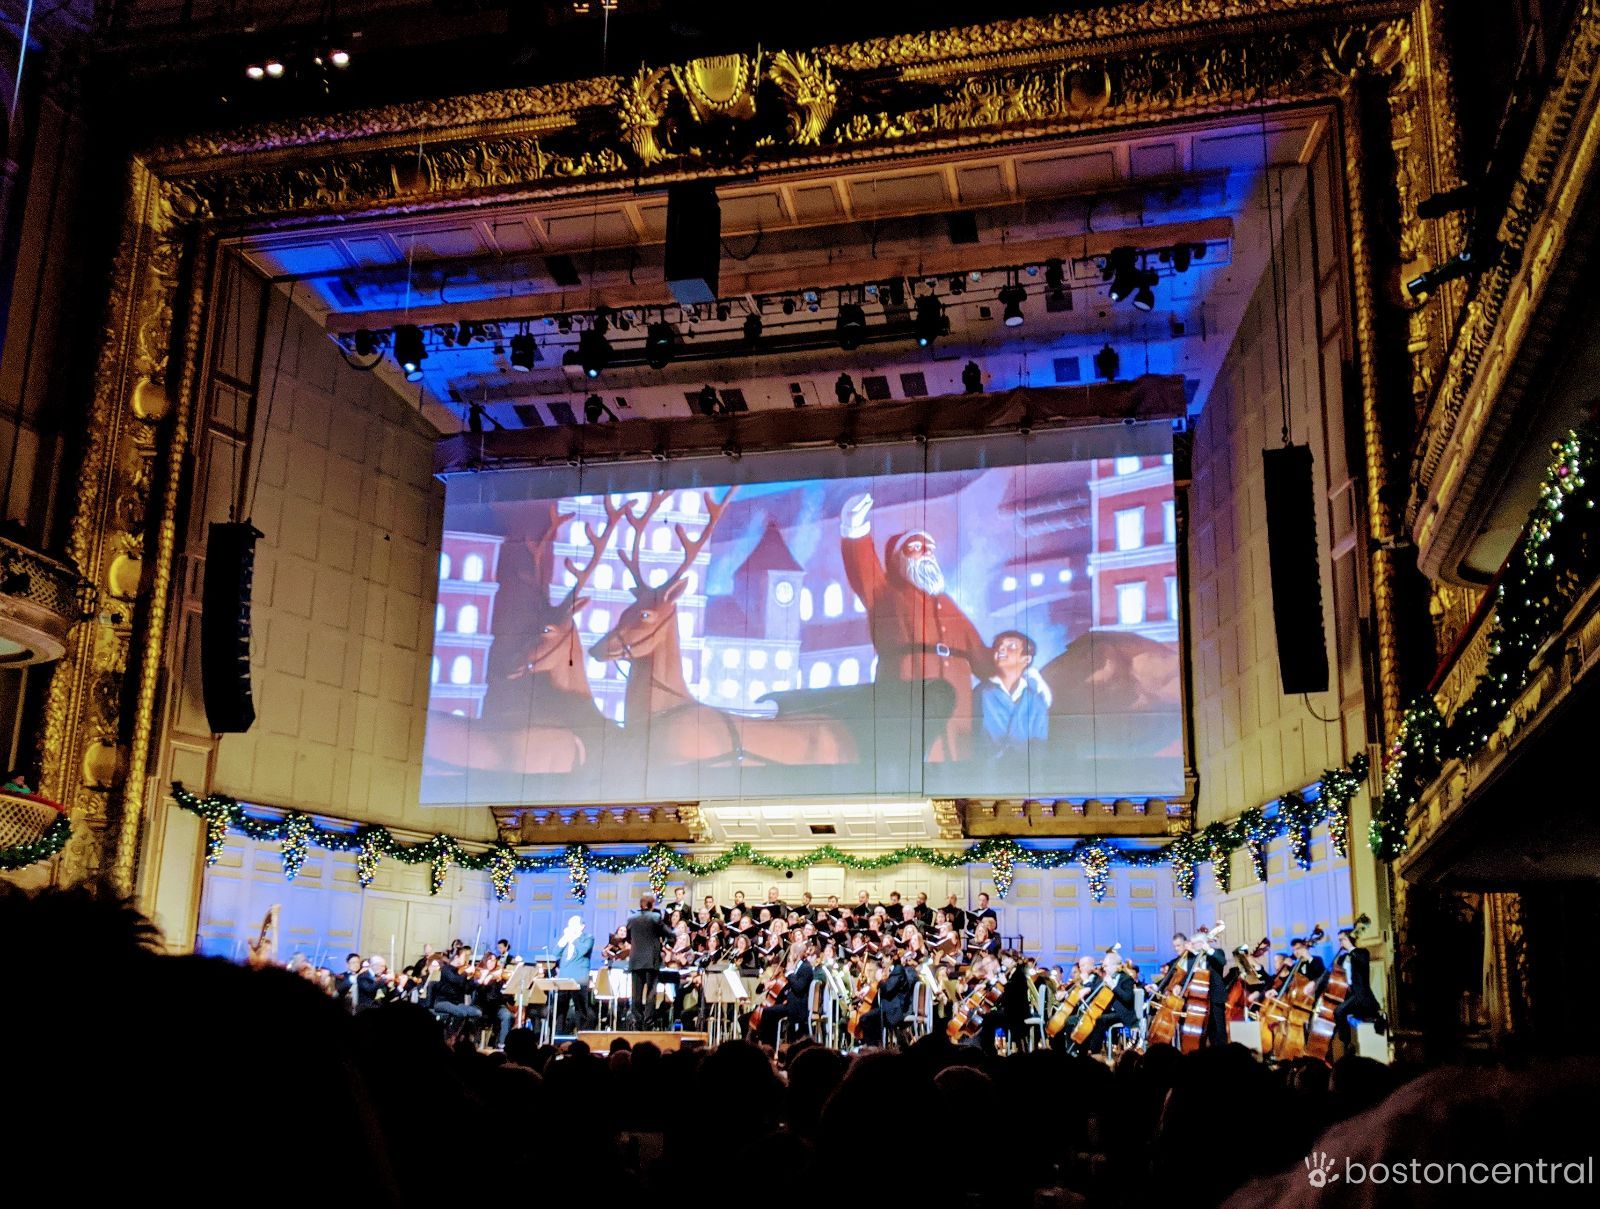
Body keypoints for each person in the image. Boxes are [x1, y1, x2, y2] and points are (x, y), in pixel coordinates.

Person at [839, 492, 995, 761]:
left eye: (929, 548)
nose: (927, 553)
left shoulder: (948, 604)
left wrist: (1013, 671)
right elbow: (862, 566)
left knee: (955, 756)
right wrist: (855, 525)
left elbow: (979, 653)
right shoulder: (885, 593)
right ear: (897, 558)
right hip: (907, 691)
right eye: (916, 547)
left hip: (956, 703)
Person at [974, 630, 1051, 760]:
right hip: (987, 769)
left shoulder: (1036, 700)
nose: (1001, 649)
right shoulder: (980, 694)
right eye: (998, 646)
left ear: (1026, 659)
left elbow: (1040, 746)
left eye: (1012, 646)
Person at [1323, 926, 1382, 1051]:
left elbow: (1361, 963)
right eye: (1339, 940)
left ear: (1349, 939)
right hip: (1347, 993)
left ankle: (1347, 1044)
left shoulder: (1361, 953)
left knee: (1339, 1011)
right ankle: (1333, 1048)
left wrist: (1350, 947)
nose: (1340, 943)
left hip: (1360, 994)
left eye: (1342, 939)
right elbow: (1335, 974)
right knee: (1334, 1015)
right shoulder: (1342, 958)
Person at [626, 894, 670, 1029]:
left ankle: (637, 1023)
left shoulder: (632, 918)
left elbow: (628, 938)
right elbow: (668, 933)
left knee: (636, 994)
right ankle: (648, 1023)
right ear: (652, 905)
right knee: (651, 993)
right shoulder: (655, 917)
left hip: (636, 961)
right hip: (651, 961)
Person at [556, 914, 595, 1034]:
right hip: (564, 977)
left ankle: (582, 1036)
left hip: (579, 978)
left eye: (574, 925)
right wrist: (564, 939)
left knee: (580, 1009)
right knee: (561, 1009)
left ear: (582, 926)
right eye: (570, 925)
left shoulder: (588, 938)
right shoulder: (566, 939)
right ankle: (558, 1035)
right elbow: (555, 953)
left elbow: (583, 950)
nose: (571, 927)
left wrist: (573, 938)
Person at [431, 949, 483, 1033]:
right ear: (456, 957)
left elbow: (467, 989)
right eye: (464, 957)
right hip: (443, 1001)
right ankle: (451, 1034)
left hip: (457, 1003)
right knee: (461, 1013)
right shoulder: (446, 969)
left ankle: (460, 1034)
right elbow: (455, 979)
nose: (466, 960)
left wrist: (474, 980)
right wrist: (465, 973)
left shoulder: (462, 972)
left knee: (477, 1012)